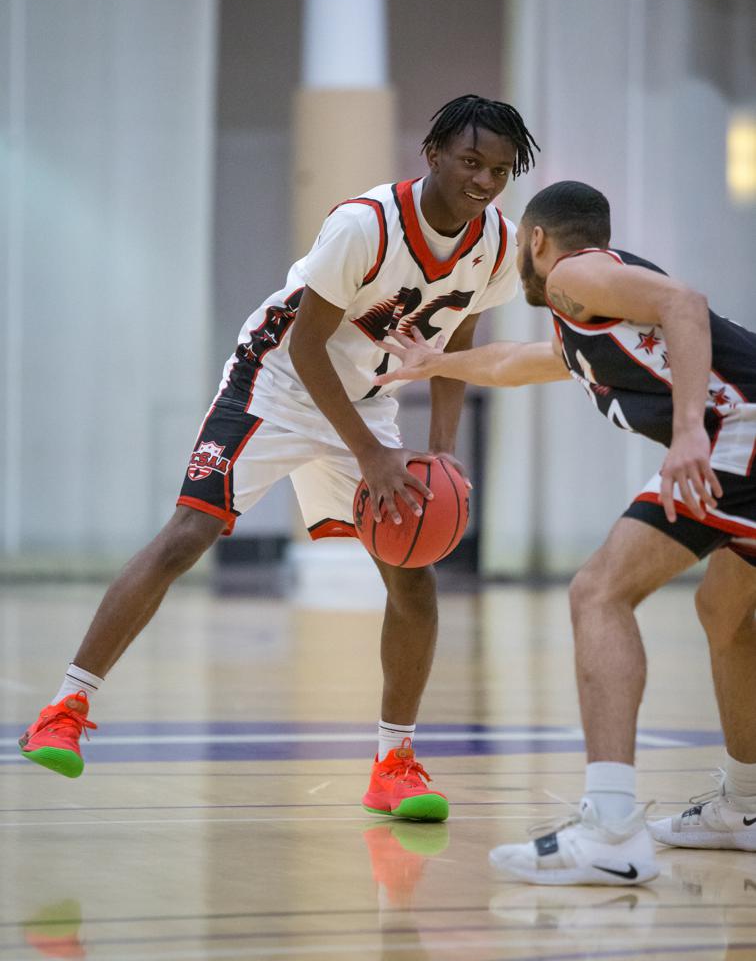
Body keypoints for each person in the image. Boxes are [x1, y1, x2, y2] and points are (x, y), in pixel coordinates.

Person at [18, 95, 540, 823]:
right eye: (471, 161)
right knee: (187, 535)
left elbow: (454, 347)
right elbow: (305, 344)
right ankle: (64, 708)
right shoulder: (366, 224)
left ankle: (395, 763)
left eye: (500, 169)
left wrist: (441, 454)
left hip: (363, 400)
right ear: (433, 153)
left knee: (414, 584)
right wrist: (370, 454)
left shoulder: (494, 244)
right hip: (277, 384)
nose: (485, 179)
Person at [374, 179, 756, 875]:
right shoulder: (589, 314)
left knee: (597, 594)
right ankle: (747, 806)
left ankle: (611, 834)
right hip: (742, 436)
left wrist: (687, 433)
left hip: (740, 434)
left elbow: (685, 304)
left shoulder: (578, 274)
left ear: (537, 242)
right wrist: (435, 363)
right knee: (725, 611)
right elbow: (519, 362)